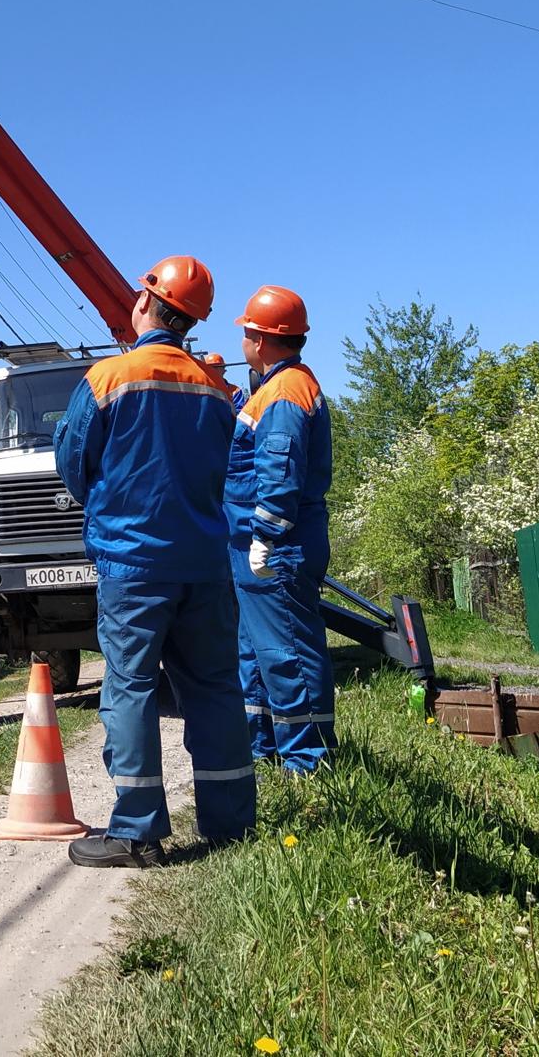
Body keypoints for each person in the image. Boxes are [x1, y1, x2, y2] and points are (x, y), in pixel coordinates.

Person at [53, 256, 256, 867]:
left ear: (146, 303)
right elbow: (233, 469)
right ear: (193, 321)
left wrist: (109, 505)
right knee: (217, 689)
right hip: (204, 565)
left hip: (133, 567)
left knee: (132, 689)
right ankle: (231, 825)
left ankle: (138, 830)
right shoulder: (215, 389)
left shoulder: (109, 378)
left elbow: (72, 463)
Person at [225, 285, 336, 772]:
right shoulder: (274, 389)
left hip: (278, 545)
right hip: (261, 544)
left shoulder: (286, 393)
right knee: (257, 654)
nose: (243, 340)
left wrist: (266, 534)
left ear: (262, 338)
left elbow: (280, 467)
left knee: (286, 651)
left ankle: (310, 762)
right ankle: (263, 749)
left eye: (247, 331)